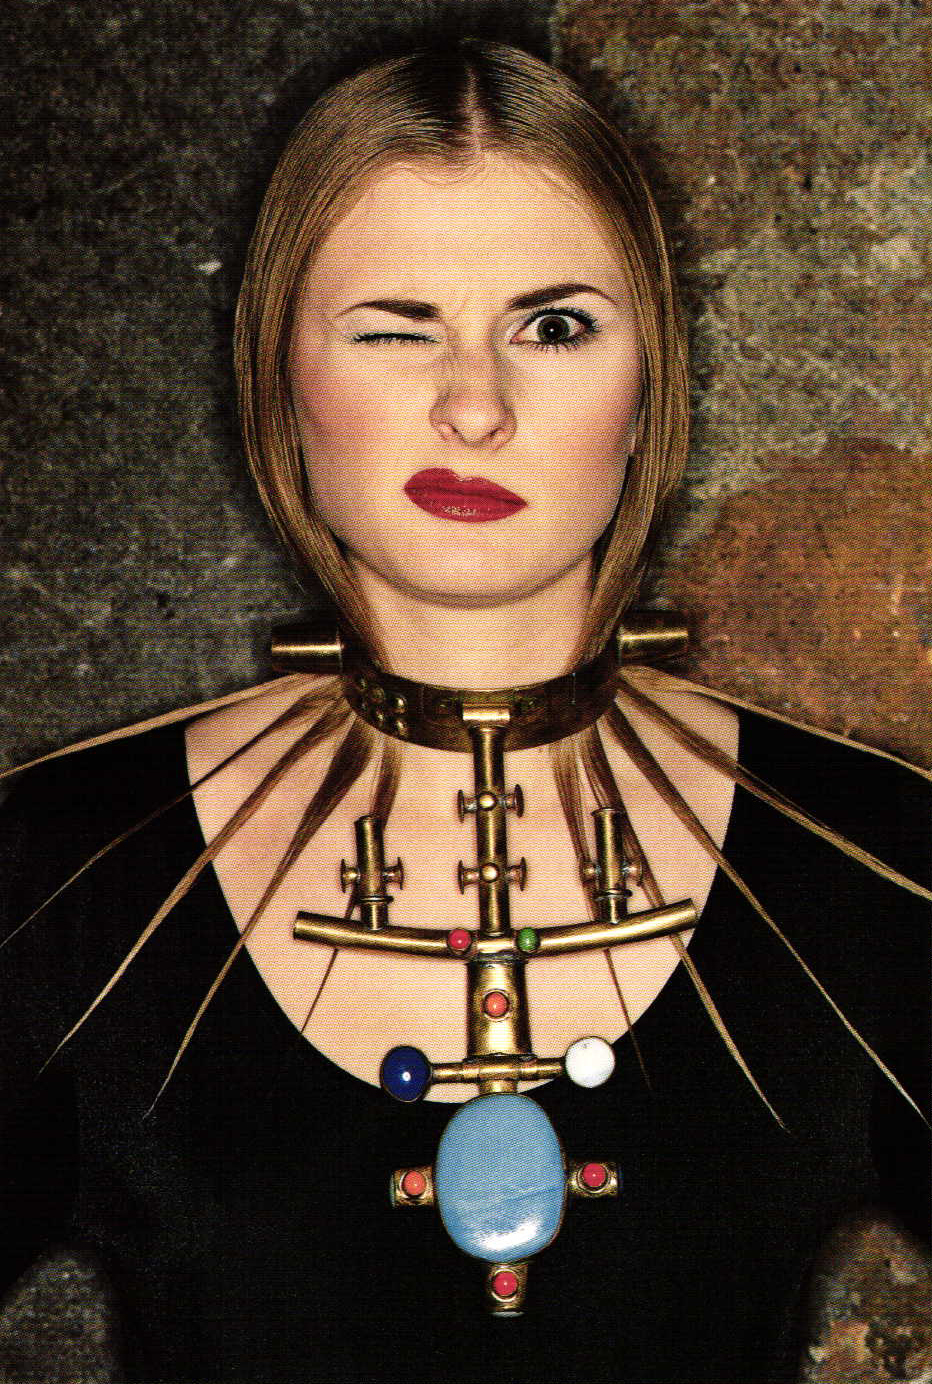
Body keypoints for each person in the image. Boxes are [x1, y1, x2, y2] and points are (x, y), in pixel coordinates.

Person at [1, 38, 928, 1384]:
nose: (474, 407)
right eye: (395, 328)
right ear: (279, 373)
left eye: (555, 328)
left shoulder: (872, 861)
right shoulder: (64, 873)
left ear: (649, 381)